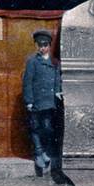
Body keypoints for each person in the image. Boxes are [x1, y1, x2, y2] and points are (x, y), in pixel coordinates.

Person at [21, 29, 62, 177]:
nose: (42, 47)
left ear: (50, 45)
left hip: (49, 102)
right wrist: (29, 101)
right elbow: (27, 82)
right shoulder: (32, 62)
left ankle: (45, 151)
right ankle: (39, 153)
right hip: (36, 102)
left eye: (45, 44)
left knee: (48, 128)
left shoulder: (55, 62)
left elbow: (57, 79)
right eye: (39, 45)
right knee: (35, 127)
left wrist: (57, 91)